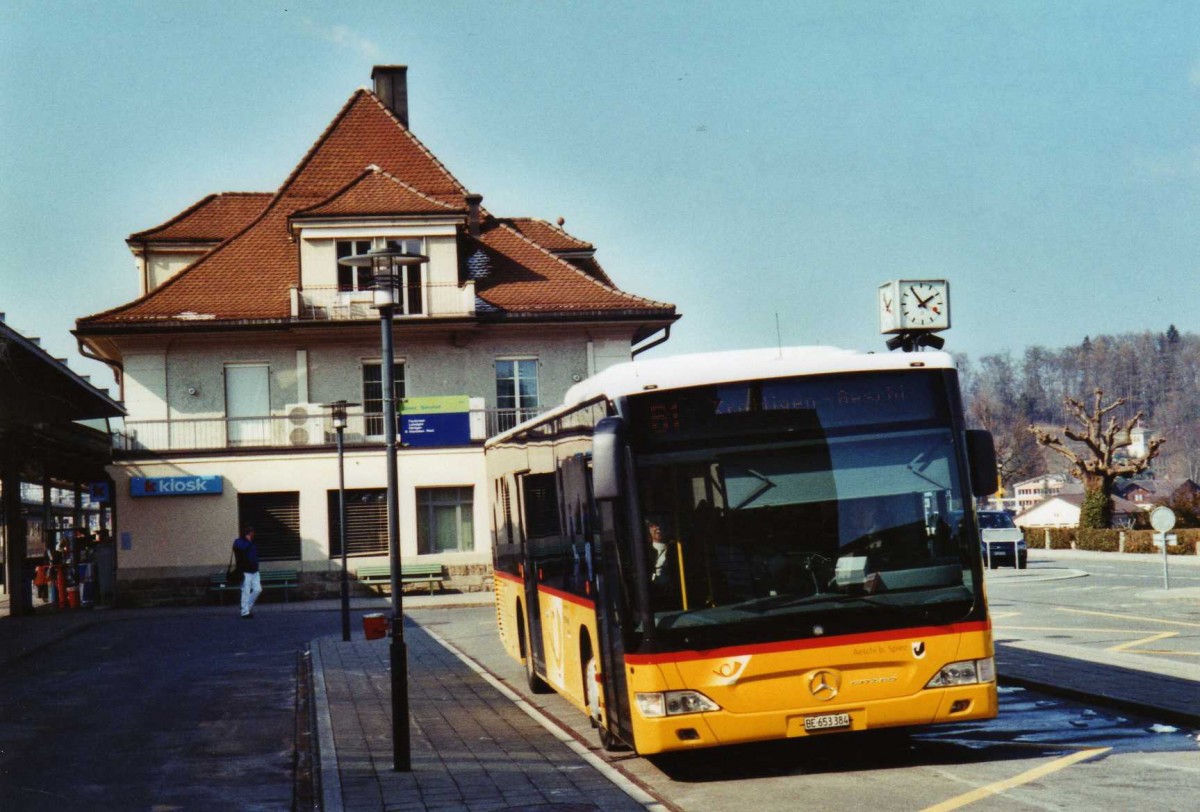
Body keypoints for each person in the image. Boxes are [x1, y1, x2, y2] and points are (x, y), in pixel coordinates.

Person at [232, 526, 262, 618]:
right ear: (248, 533)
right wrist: (248, 542)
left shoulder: (253, 542)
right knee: (245, 591)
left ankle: (246, 607)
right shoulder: (239, 542)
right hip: (245, 571)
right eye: (252, 532)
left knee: (258, 589)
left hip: (254, 571)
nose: (253, 534)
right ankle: (245, 612)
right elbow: (239, 549)